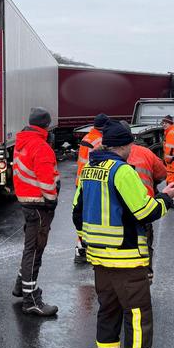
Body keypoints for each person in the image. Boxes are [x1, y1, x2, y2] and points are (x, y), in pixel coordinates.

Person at [73, 120, 174, 348]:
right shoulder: (122, 171)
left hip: (99, 259)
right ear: (125, 145)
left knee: (108, 312)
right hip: (127, 259)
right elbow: (144, 212)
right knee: (136, 319)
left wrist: (90, 242)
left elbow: (76, 212)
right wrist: (166, 200)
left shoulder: (88, 171)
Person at [11, 107, 60, 316]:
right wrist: (52, 201)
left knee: (29, 248)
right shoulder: (41, 146)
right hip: (40, 205)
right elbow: (46, 180)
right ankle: (31, 300)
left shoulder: (22, 142)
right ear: (46, 125)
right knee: (35, 251)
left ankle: (21, 287)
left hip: (27, 202)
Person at [127, 141, 167, 281]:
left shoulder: (110, 153)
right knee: (145, 240)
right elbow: (162, 173)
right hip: (145, 205)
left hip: (121, 208)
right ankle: (147, 273)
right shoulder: (145, 152)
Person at [74, 113, 109, 264]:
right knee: (93, 216)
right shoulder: (100, 140)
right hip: (91, 181)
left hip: (80, 181)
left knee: (81, 216)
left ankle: (80, 247)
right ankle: (88, 247)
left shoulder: (87, 137)